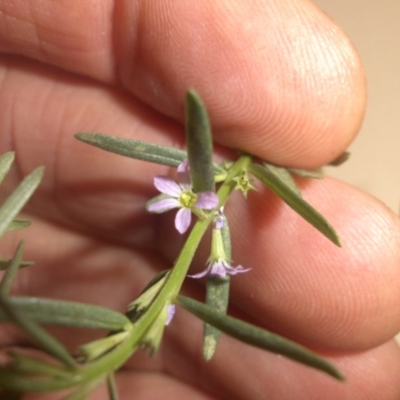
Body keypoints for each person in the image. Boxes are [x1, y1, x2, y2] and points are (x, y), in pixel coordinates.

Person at [0, 1, 399, 399]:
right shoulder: (194, 200)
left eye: (189, 197)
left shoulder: (199, 197)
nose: (188, 198)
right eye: (187, 197)